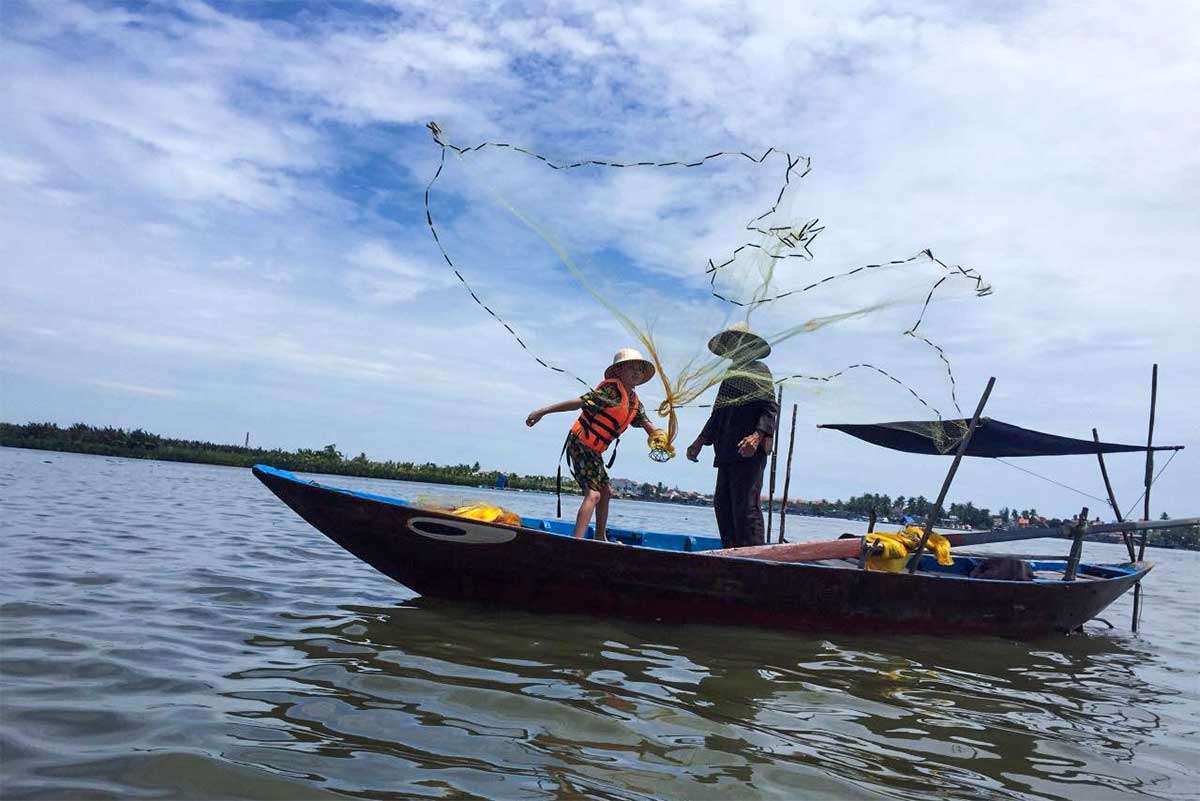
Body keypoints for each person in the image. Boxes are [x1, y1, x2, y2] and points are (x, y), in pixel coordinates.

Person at [526, 349, 663, 542]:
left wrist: (659, 438)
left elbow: (646, 423)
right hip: (580, 443)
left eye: (640, 370)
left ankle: (599, 537)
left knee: (606, 492)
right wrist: (542, 412)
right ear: (618, 371)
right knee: (594, 494)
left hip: (594, 450)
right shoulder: (609, 391)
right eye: (631, 367)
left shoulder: (634, 402)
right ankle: (578, 541)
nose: (636, 372)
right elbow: (578, 403)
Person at [686, 322, 778, 548]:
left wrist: (756, 436)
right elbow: (719, 412)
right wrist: (700, 440)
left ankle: (754, 558)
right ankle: (730, 551)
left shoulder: (759, 370)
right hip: (727, 449)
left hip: (749, 452)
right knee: (723, 504)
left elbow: (770, 408)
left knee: (746, 506)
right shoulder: (730, 373)